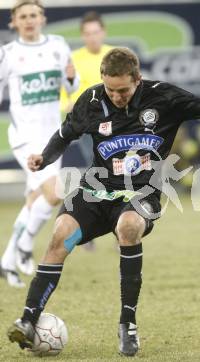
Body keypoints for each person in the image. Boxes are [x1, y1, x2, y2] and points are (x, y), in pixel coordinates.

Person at [6, 47, 200, 356]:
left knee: (128, 227)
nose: (116, 96)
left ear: (137, 79)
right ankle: (28, 320)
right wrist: (43, 159)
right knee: (60, 233)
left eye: (123, 89)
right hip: (97, 191)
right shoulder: (91, 100)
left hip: (143, 193)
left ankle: (128, 324)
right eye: (111, 89)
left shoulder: (164, 97)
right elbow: (64, 134)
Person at [0, 0, 79, 287]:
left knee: (36, 199)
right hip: (24, 137)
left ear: (42, 18)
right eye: (23, 16)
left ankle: (8, 260)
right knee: (55, 191)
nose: (29, 20)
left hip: (51, 136)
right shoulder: (8, 53)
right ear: (14, 22)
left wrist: (71, 77)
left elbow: (71, 85)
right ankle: (24, 245)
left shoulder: (57, 45)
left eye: (34, 15)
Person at [61, 11, 113, 251]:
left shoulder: (115, 56)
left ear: (103, 32)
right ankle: (86, 230)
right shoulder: (73, 60)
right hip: (89, 129)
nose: (92, 37)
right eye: (88, 33)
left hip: (118, 128)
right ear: (83, 35)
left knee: (115, 176)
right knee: (99, 175)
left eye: (96, 32)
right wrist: (72, 106)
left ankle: (120, 229)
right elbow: (63, 98)